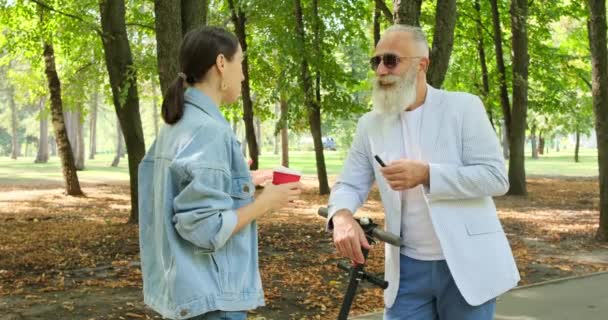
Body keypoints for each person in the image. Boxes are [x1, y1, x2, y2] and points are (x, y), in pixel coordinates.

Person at [327, 25, 520, 320]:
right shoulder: (370, 124)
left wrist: (428, 175)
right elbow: (350, 183)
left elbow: (495, 177)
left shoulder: (463, 107)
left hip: (466, 266)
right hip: (406, 269)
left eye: (390, 60)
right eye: (375, 61)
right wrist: (340, 216)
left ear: (422, 64)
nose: (381, 69)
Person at [138, 26, 302, 320]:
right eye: (240, 63)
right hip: (211, 303)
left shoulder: (175, 126)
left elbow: (180, 196)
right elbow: (205, 228)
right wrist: (265, 203)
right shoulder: (208, 131)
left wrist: (240, 183)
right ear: (221, 64)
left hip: (184, 294)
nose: (242, 75)